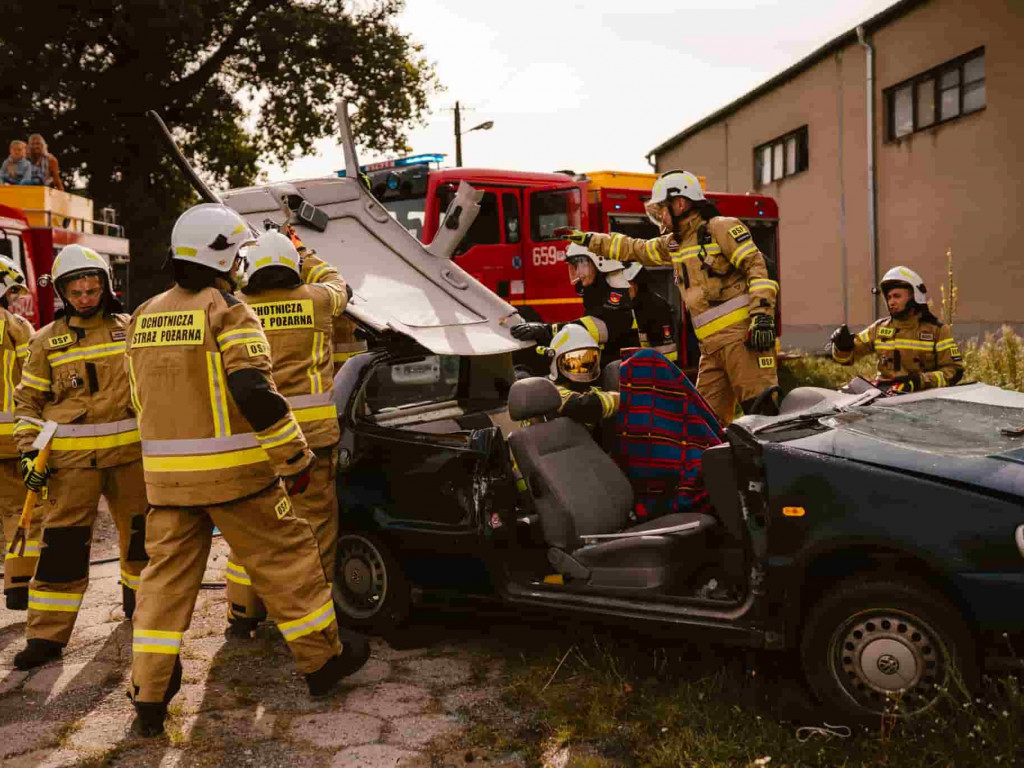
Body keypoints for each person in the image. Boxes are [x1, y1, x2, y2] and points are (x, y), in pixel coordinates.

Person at [124, 203, 367, 736]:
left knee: (162, 588)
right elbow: (256, 393)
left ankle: (148, 694)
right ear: (220, 255)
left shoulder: (143, 314)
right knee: (291, 561)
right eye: (235, 253)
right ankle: (323, 662)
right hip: (238, 477)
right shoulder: (229, 311)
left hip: (166, 484)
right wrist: (295, 458)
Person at [12, 245, 148, 669]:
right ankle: (47, 636)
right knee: (63, 548)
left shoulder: (129, 330)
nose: (87, 298)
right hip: (72, 468)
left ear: (106, 287)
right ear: (64, 294)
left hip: (130, 460)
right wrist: (29, 454)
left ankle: (142, 608)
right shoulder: (44, 341)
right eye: (78, 292)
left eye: (93, 289)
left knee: (143, 539)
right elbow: (28, 403)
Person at [553, 170, 779, 424]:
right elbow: (634, 248)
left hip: (742, 340)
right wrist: (589, 240)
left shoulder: (721, 228)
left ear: (680, 203)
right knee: (705, 425)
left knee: (763, 415)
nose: (659, 216)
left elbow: (757, 270)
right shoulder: (674, 244)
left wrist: (761, 317)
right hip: (710, 349)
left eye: (661, 209)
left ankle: (779, 463)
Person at [224, 229, 349, 636]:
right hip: (312, 441)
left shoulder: (237, 309)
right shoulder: (315, 302)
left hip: (257, 439)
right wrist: (305, 250)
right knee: (313, 531)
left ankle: (244, 613)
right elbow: (338, 283)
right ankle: (314, 619)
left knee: (254, 528)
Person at [830, 266, 963, 392]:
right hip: (885, 400)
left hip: (924, 401)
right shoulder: (878, 329)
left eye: (897, 296)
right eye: (889, 297)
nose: (891, 302)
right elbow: (846, 359)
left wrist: (920, 381)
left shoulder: (938, 331)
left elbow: (954, 371)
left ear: (914, 296)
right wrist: (842, 347)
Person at [511, 243, 638, 371]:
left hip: (619, 370)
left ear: (600, 261)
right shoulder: (596, 291)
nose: (577, 272)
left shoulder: (616, 292)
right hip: (604, 362)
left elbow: (603, 327)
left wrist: (547, 330)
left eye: (581, 264)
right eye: (574, 266)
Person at [0, 256, 37, 609]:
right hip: (9, 437)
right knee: (18, 510)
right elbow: (36, 379)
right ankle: (19, 584)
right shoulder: (18, 328)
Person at [542, 324, 619, 428]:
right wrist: (622, 399)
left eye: (588, 361)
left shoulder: (591, 390)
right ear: (555, 362)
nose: (582, 368)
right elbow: (582, 407)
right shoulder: (550, 390)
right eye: (574, 362)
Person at [622, 262, 677, 361]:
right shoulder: (631, 305)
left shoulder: (655, 307)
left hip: (654, 371)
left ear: (634, 284)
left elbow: (666, 353)